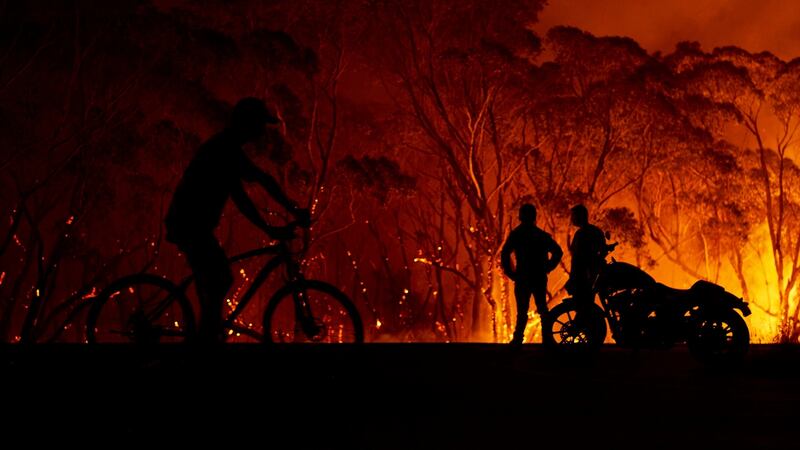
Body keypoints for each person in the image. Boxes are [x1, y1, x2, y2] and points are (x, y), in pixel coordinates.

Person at [165, 97, 310, 343]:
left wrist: (291, 211)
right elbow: (243, 199)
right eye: (260, 124)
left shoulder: (229, 147)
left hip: (194, 224)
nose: (262, 130)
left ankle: (208, 332)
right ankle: (206, 337)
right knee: (219, 276)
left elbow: (262, 181)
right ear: (248, 123)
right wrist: (271, 226)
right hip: (189, 223)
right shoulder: (224, 150)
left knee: (217, 278)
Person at [501, 204, 563, 345]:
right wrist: (548, 267)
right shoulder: (541, 235)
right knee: (542, 309)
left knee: (522, 311)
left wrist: (511, 273)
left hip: (523, 277)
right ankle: (547, 339)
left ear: (520, 217)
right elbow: (558, 252)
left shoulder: (516, 235)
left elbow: (505, 254)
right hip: (538, 276)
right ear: (534, 217)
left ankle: (518, 339)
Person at [566, 204, 606, 302]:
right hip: (593, 274)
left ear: (579, 216)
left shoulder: (580, 234)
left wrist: (573, 278)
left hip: (582, 277)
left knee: (582, 305)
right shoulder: (596, 231)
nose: (571, 219)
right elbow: (603, 250)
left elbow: (576, 259)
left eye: (573, 216)